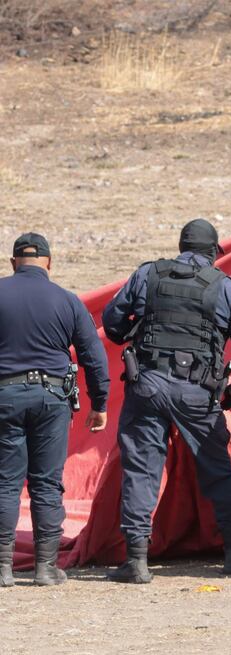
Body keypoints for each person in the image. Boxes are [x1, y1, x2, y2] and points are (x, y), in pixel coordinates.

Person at [102, 218, 231, 583]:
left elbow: (112, 321)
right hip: (199, 392)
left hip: (148, 384)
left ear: (181, 246)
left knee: (142, 470)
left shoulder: (147, 275)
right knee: (218, 469)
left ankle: (137, 560)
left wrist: (131, 330)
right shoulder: (226, 288)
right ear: (212, 252)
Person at [0, 233, 109, 587]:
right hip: (52, 399)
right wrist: (100, 403)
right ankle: (46, 568)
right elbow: (93, 356)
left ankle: (2, 568)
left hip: (5, 397)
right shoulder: (67, 300)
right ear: (49, 262)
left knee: (5, 484)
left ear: (13, 262)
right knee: (47, 484)